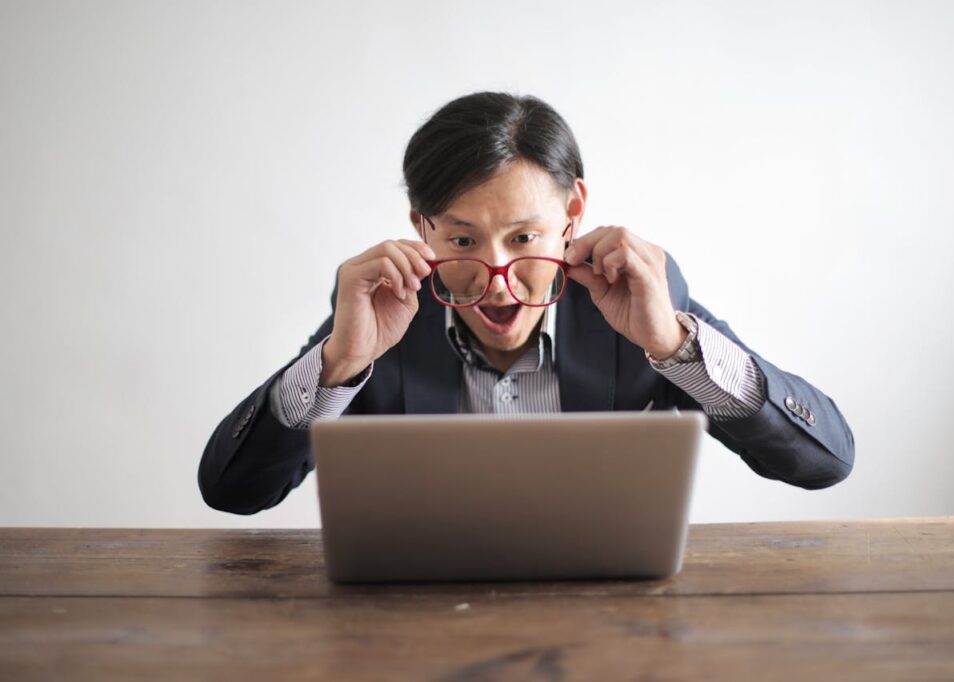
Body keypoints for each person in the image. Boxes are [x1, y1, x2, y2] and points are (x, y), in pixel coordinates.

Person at [198, 91, 855, 515]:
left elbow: (824, 462)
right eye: (461, 239)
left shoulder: (640, 300)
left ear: (572, 215)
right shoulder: (384, 314)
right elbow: (232, 492)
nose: (497, 276)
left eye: (523, 238)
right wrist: (339, 363)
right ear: (421, 227)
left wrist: (673, 347)